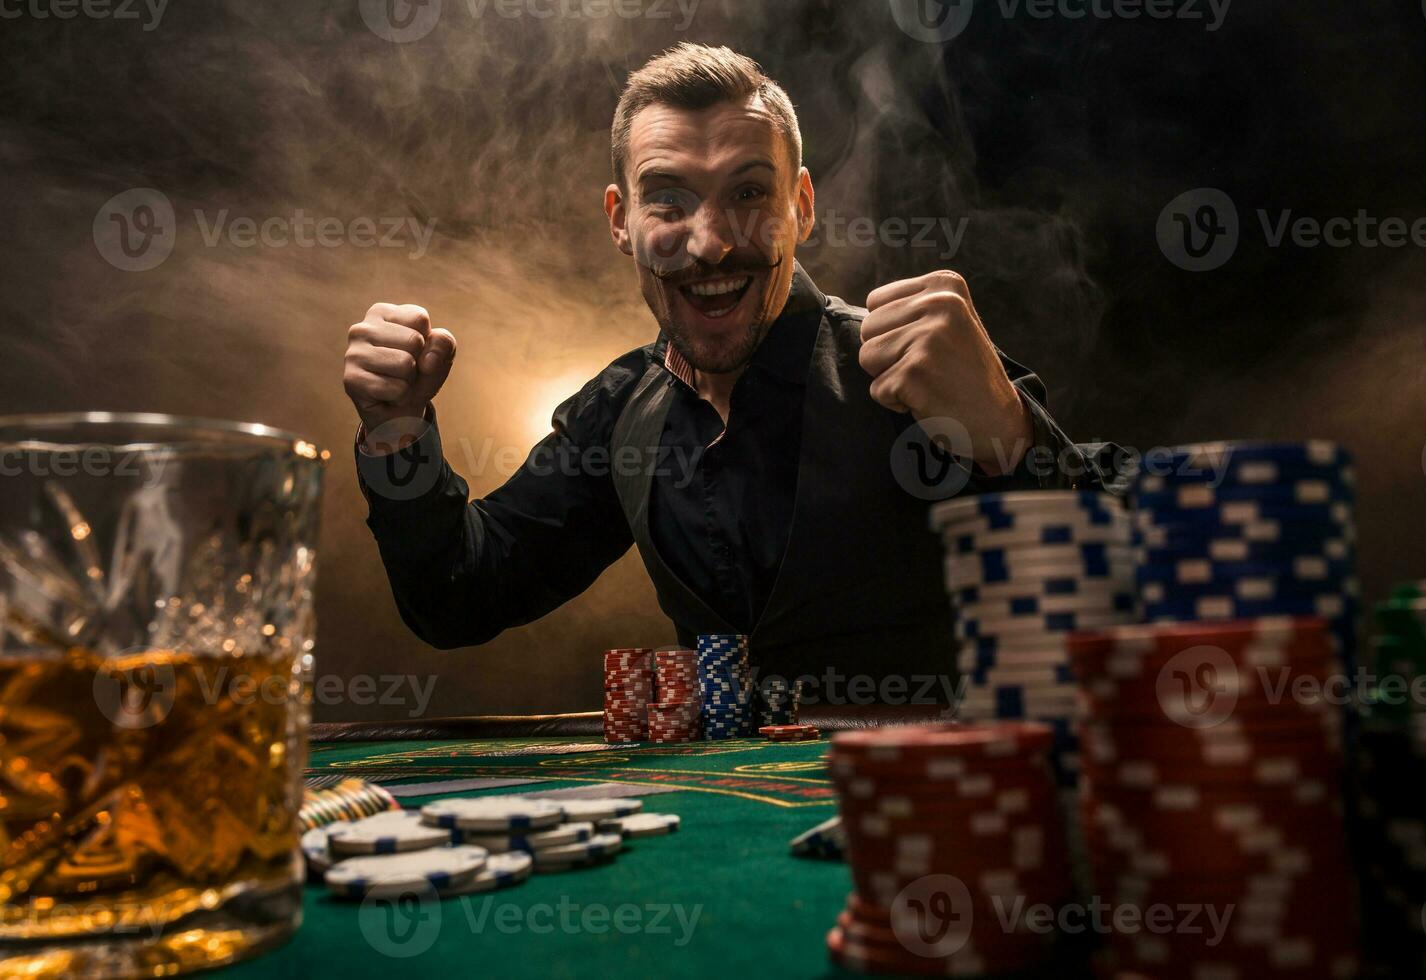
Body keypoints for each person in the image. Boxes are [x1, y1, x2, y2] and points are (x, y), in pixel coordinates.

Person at [342, 43, 1106, 695]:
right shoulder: (618, 413)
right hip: (726, 839)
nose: (708, 243)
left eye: (747, 194)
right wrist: (397, 434)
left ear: (800, 207)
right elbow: (459, 600)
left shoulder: (911, 362)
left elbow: (1125, 589)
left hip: (929, 818)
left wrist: (1012, 435)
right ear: (621, 221)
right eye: (668, 201)